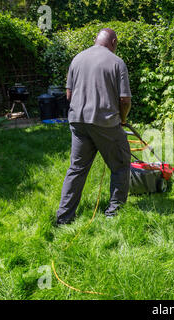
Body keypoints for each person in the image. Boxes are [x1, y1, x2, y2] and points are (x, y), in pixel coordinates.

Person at [56, 28, 132, 225]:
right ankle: (114, 213)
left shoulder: (77, 59)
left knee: (77, 168)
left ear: (95, 39)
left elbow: (69, 95)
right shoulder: (117, 62)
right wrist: (122, 120)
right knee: (121, 165)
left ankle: (64, 218)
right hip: (106, 123)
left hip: (78, 121)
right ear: (114, 41)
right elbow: (124, 100)